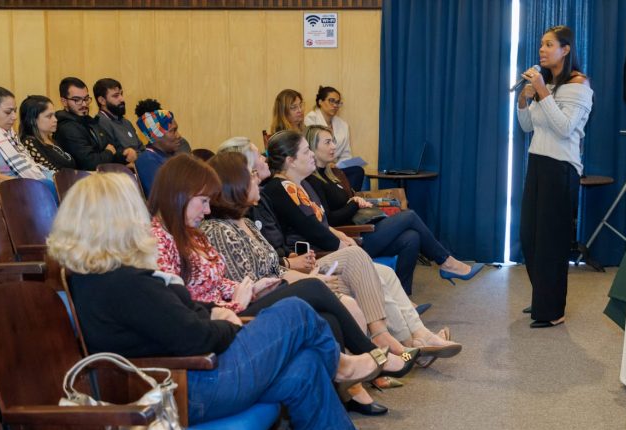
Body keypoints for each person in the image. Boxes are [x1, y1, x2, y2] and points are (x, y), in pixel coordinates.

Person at [48, 171, 381, 430]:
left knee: (305, 365)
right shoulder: (124, 283)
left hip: (191, 379)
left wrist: (214, 312)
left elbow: (179, 316)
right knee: (295, 310)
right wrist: (228, 324)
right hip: (189, 389)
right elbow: (195, 338)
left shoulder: (99, 278)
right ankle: (341, 366)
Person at [146, 153, 416, 380]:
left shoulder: (192, 233)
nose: (206, 210)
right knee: (314, 288)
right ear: (180, 195)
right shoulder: (162, 241)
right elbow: (184, 308)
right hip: (228, 320)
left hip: (239, 303)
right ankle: (374, 355)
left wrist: (252, 288)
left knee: (331, 315)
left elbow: (219, 282)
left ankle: (356, 380)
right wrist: (239, 299)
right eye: (203, 201)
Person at [205, 148, 461, 362]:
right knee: (373, 255)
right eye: (250, 174)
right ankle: (397, 344)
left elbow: (277, 264)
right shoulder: (227, 226)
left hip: (294, 272)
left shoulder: (250, 221)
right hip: (283, 284)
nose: (257, 176)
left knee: (382, 269)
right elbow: (250, 284)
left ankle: (413, 339)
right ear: (235, 185)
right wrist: (307, 274)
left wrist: (307, 273)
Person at [265, 129, 484, 295]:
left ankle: (406, 298)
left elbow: (319, 223)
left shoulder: (305, 183)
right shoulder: (284, 187)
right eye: (307, 151)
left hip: (342, 237)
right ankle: (446, 262)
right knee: (409, 216)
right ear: (290, 160)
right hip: (330, 248)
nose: (312, 155)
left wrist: (339, 233)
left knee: (411, 238)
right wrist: (343, 239)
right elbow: (313, 228)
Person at [517, 25, 593, 328]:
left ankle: (553, 310)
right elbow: (527, 126)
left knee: (551, 241)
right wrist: (524, 99)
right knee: (530, 237)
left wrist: (542, 92)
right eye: (541, 44)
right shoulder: (546, 84)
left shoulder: (579, 85)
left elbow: (564, 128)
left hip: (561, 168)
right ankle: (542, 296)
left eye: (549, 44)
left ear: (566, 49)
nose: (542, 50)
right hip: (537, 163)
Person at [55, 77, 133, 170]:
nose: (84, 104)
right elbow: (90, 163)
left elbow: (112, 146)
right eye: (77, 100)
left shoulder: (88, 120)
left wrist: (124, 155)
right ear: (64, 101)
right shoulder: (67, 128)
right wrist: (109, 152)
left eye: (86, 99)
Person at [0, 86, 50, 183]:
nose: (14, 117)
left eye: (15, 111)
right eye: (8, 112)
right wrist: (30, 183)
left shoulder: (9, 132)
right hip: (13, 187)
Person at [304, 85, 364, 190]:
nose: (335, 105)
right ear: (320, 101)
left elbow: (346, 154)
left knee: (357, 171)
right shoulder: (310, 120)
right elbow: (310, 148)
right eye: (331, 101)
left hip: (335, 167)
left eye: (338, 102)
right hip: (317, 166)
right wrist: (327, 163)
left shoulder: (343, 125)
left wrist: (338, 164)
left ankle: (350, 196)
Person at [19, 95, 76, 173]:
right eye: (49, 116)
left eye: (54, 115)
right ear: (32, 120)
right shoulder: (29, 143)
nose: (55, 120)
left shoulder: (51, 140)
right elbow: (50, 172)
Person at [134, 105, 182, 194]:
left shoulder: (170, 156)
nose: (179, 135)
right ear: (156, 136)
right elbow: (161, 197)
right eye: (173, 131)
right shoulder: (147, 161)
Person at [94, 78, 144, 156]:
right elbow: (118, 154)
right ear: (102, 100)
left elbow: (141, 148)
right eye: (116, 96)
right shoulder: (100, 123)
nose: (122, 99)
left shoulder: (126, 122)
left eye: (121, 94)